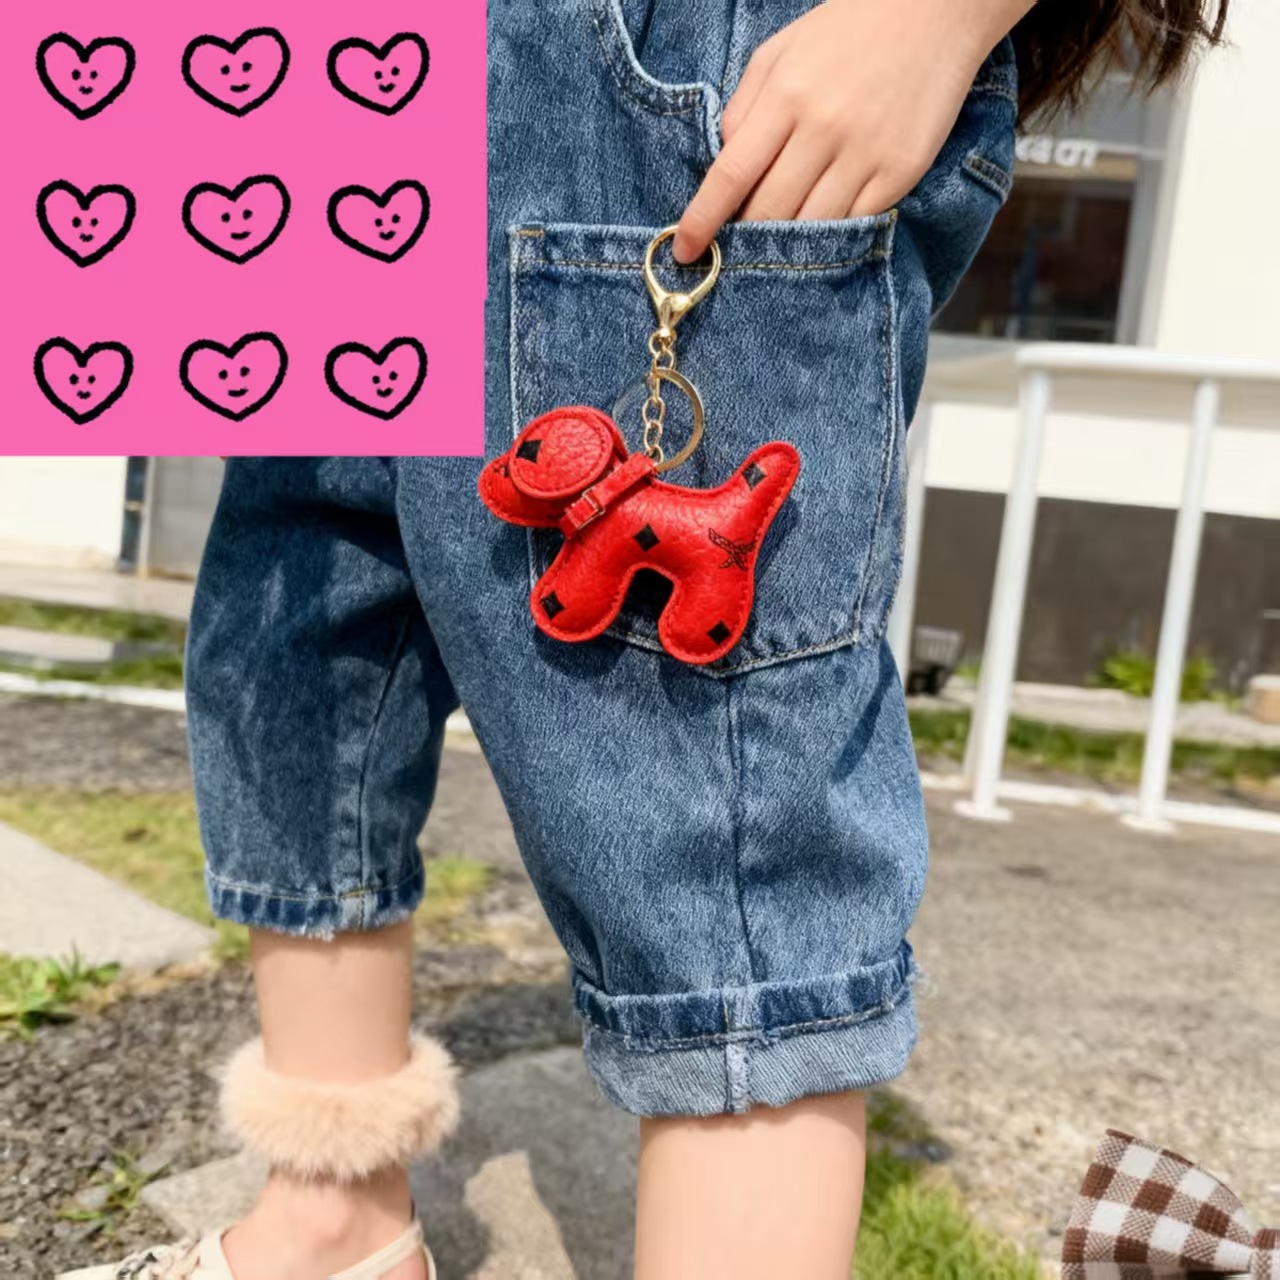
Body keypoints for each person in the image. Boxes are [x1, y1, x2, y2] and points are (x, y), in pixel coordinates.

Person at [64, 1, 1228, 1277]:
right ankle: (327, 1227)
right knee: (302, 632)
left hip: (655, 66)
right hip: (292, 63)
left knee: (713, 826)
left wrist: (931, 17)